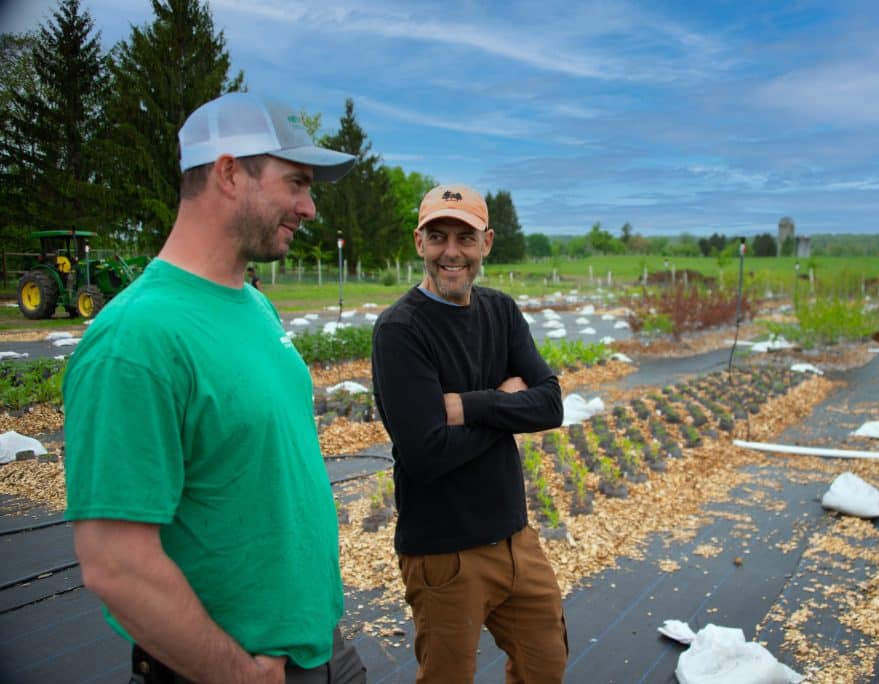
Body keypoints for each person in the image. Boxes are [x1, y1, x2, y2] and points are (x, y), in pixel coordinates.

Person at [63, 92, 366, 684]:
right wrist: (236, 675)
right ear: (229, 172)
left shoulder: (253, 305)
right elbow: (116, 565)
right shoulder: (136, 339)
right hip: (232, 667)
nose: (308, 208)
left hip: (318, 645)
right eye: (296, 183)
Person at [371, 184, 568, 683]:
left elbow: (550, 404)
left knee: (546, 663)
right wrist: (507, 408)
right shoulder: (400, 330)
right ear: (419, 243)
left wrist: (473, 405)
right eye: (438, 236)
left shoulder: (501, 311)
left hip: (516, 538)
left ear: (487, 242)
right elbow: (426, 453)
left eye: (465, 236)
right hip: (445, 554)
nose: (451, 251)